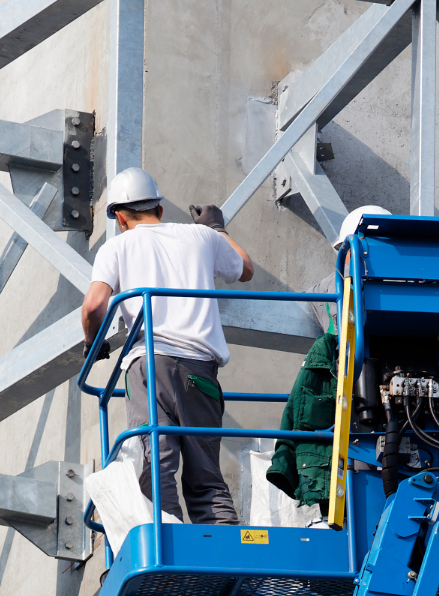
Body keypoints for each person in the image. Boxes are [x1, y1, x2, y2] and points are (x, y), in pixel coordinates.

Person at [81, 167, 254, 525]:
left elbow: (94, 307)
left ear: (119, 217)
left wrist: (93, 342)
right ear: (158, 209)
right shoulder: (200, 238)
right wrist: (217, 230)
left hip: (149, 367)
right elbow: (246, 268)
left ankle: (167, 556)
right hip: (201, 372)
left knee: (154, 468)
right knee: (207, 476)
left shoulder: (117, 247)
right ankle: (224, 555)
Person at [267, 206, 390, 526]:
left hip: (390, 397)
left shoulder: (400, 284)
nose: (351, 261)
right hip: (355, 398)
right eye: (345, 253)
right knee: (357, 465)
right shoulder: (328, 289)